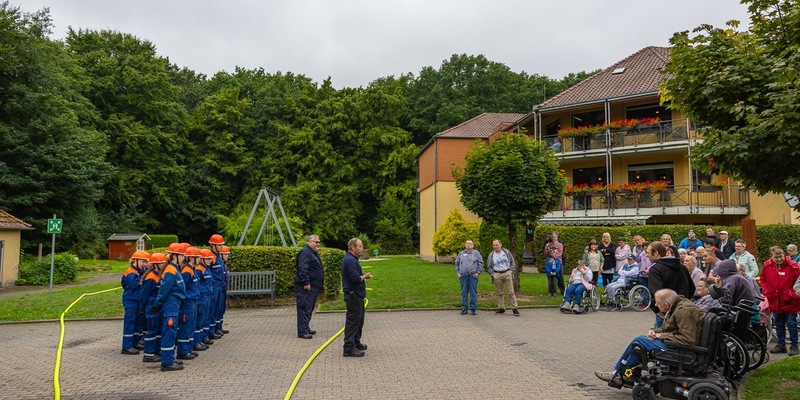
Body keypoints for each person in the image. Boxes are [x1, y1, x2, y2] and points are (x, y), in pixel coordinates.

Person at [595, 289, 705, 388]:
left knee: (639, 341)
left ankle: (618, 374)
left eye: (658, 303)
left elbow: (688, 339)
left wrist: (660, 336)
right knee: (640, 344)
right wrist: (655, 331)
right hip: (676, 344)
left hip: (683, 350)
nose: (656, 305)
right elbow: (673, 328)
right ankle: (622, 374)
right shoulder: (677, 305)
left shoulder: (683, 311)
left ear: (666, 305)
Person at [150, 244, 187, 371]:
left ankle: (170, 358)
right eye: (181, 255)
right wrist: (157, 304)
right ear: (174, 256)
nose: (183, 257)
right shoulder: (171, 270)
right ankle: (166, 362)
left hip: (174, 303)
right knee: (169, 332)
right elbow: (164, 289)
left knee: (172, 332)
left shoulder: (174, 268)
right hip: (170, 304)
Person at [647, 241, 696, 328]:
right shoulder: (682, 267)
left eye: (648, 253)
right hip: (683, 308)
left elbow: (656, 292)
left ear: (656, 253)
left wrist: (657, 310)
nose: (647, 255)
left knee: (663, 337)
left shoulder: (655, 270)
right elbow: (692, 287)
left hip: (665, 311)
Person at [762, 246, 800, 355]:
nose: (779, 259)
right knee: (778, 323)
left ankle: (794, 345)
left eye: (781, 256)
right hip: (774, 299)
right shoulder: (767, 265)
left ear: (784, 255)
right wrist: (766, 290)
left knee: (791, 323)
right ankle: (781, 344)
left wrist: (792, 294)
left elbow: (798, 281)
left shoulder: (793, 266)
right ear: (771, 256)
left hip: (789, 300)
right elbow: (763, 279)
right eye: (776, 257)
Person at [342, 238, 372, 357]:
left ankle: (356, 342)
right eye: (359, 246)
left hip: (357, 295)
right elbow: (354, 278)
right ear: (352, 247)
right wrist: (365, 276)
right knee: (353, 322)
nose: (362, 248)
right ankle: (348, 348)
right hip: (353, 295)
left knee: (359, 321)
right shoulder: (350, 260)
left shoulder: (352, 259)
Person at [295, 234, 324, 339]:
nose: (318, 244)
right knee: (304, 307)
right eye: (316, 242)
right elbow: (303, 268)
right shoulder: (305, 252)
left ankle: (306, 327)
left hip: (314, 285)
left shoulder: (313, 253)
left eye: (319, 242)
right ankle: (302, 331)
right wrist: (306, 282)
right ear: (309, 242)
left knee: (309, 307)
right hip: (307, 286)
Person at [121, 250, 150, 355]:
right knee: (130, 322)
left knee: (138, 322)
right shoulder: (131, 272)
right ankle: (127, 346)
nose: (145, 264)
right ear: (136, 261)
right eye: (143, 261)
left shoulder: (140, 271)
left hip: (138, 300)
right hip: (131, 300)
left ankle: (136, 342)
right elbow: (133, 285)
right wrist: (144, 278)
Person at [177, 245, 200, 360]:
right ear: (191, 258)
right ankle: (183, 351)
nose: (199, 259)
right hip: (187, 302)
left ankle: (188, 349)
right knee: (185, 326)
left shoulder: (191, 270)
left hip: (192, 301)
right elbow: (183, 287)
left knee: (191, 325)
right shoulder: (187, 271)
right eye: (197, 257)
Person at [486, 239, 519, 316]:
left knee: (511, 292)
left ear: (501, 245)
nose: (495, 247)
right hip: (497, 274)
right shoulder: (491, 255)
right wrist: (493, 274)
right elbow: (489, 266)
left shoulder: (506, 252)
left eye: (496, 245)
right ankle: (501, 308)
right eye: (494, 245)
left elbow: (512, 262)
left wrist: (511, 271)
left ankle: (514, 308)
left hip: (507, 272)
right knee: (499, 292)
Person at [455, 239, 483, 315]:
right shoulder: (461, 253)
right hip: (463, 276)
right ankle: (464, 308)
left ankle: (473, 309)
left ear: (473, 245)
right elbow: (456, 263)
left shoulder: (476, 253)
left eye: (470, 244)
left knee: (473, 292)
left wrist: (478, 272)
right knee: (464, 292)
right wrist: (458, 273)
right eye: (467, 243)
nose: (468, 245)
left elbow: (481, 263)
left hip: (473, 276)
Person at [194, 249, 214, 350]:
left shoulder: (206, 268)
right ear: (202, 259)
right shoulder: (199, 269)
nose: (210, 261)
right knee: (200, 319)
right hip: (201, 297)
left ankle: (201, 339)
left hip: (207, 295)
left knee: (205, 317)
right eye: (208, 259)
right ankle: (197, 341)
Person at [207, 234, 226, 339]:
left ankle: (216, 328)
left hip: (219, 286)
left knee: (218, 308)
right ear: (213, 245)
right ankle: (210, 331)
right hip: (214, 286)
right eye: (219, 245)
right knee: (212, 309)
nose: (221, 247)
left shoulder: (218, 256)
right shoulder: (211, 257)